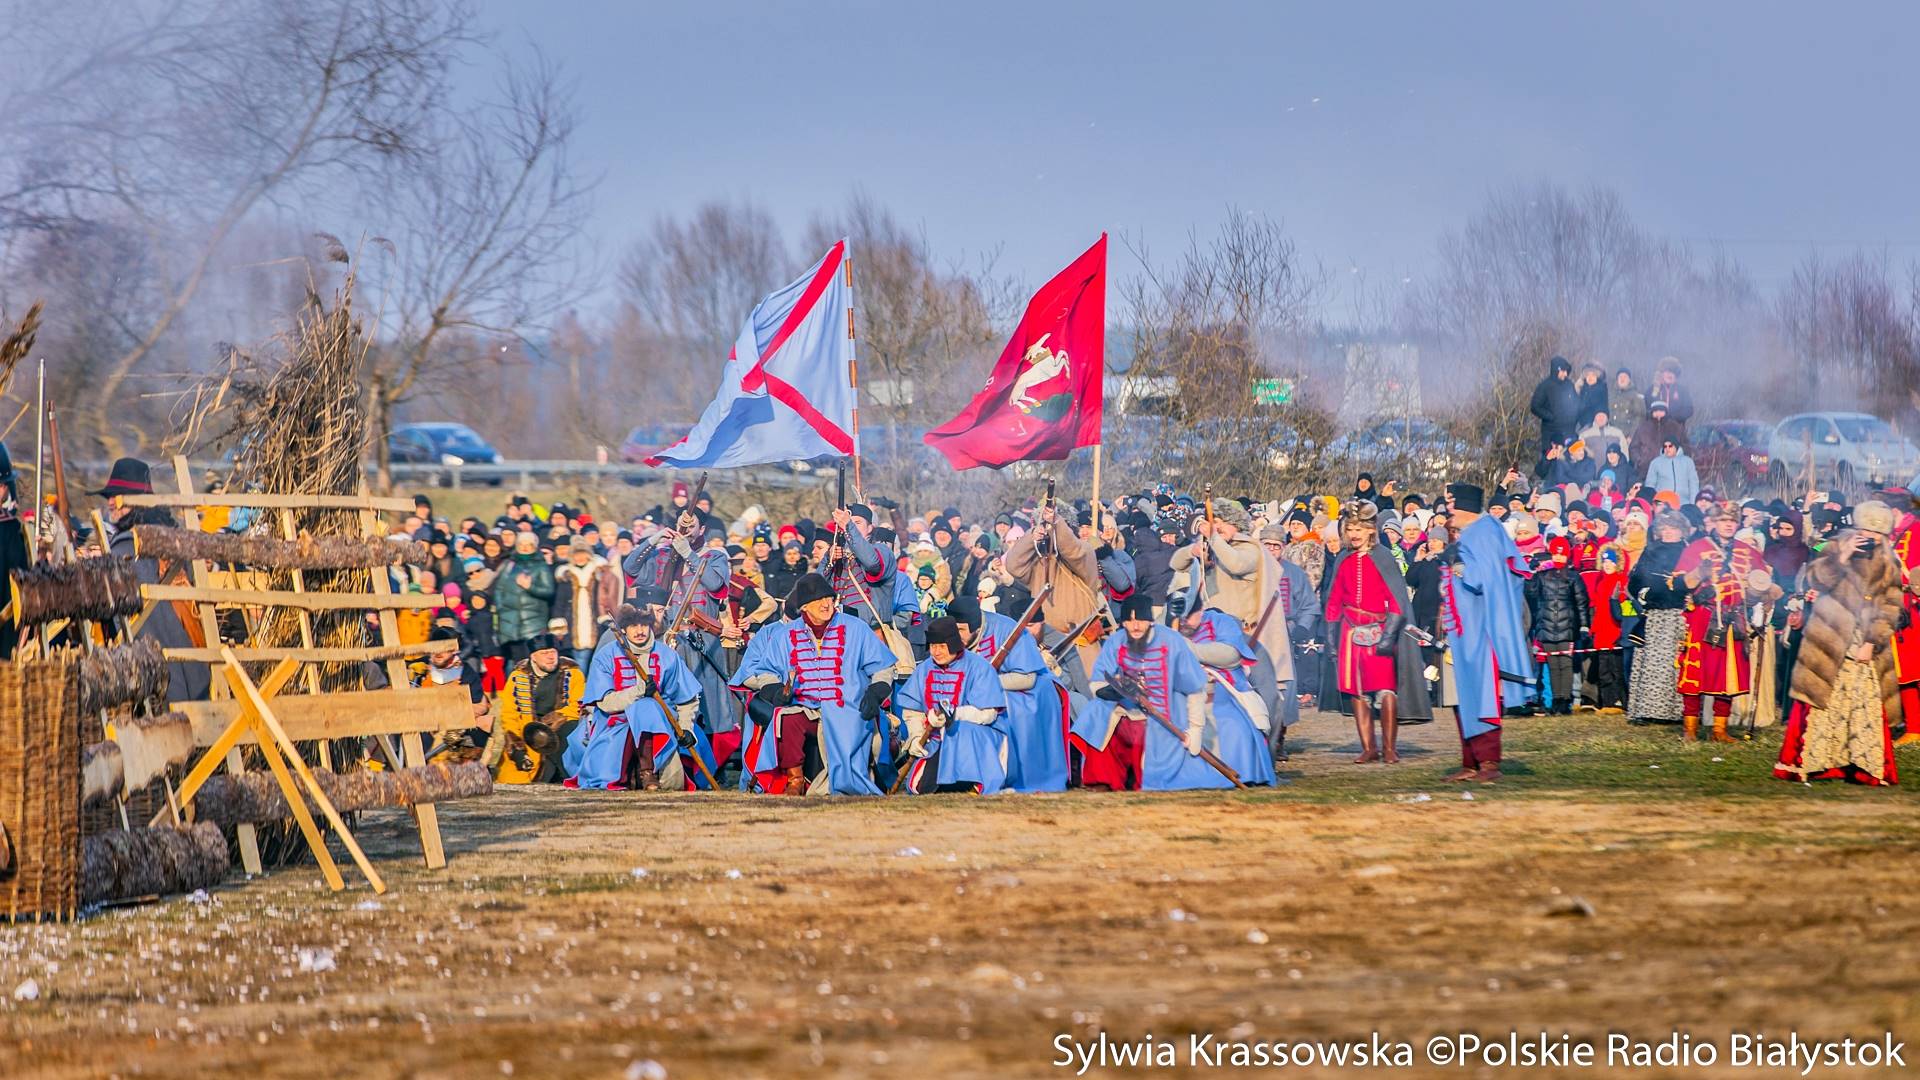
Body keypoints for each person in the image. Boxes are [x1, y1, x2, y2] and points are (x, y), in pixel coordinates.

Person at [1775, 501, 1904, 785]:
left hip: (1864, 644)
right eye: (1866, 530)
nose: (1870, 537)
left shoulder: (1889, 561)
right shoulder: (1833, 547)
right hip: (1829, 639)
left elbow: (1891, 607)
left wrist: (1872, 641)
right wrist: (1842, 557)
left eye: (1877, 532)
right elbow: (1815, 580)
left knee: (1862, 703)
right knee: (1823, 702)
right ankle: (1819, 762)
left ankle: (1862, 764)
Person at [732, 573, 896, 795]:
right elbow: (766, 671)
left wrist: (876, 692)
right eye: (819, 600)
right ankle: (795, 781)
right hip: (804, 706)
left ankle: (848, 781)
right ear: (804, 607)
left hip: (848, 708)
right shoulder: (785, 635)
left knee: (849, 735)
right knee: (786, 719)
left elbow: (883, 666)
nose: (826, 604)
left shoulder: (856, 628)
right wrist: (775, 690)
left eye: (829, 598)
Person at [1435, 484, 1534, 782]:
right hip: (1464, 631)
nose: (1449, 512)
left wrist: (1457, 565)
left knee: (1483, 694)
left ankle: (1489, 763)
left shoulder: (1484, 532)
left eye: (1452, 505)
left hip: (1482, 629)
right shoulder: (1474, 533)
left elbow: (1482, 579)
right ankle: (1471, 762)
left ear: (1464, 506)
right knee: (1464, 695)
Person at [1073, 594, 1220, 790]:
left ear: (1150, 621)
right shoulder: (1115, 642)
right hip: (1125, 709)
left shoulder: (1172, 641)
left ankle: (1146, 779)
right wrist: (1114, 690)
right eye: (1130, 621)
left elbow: (1195, 688)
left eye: (1140, 620)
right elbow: (1098, 681)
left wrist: (1196, 728)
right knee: (1096, 712)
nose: (1135, 626)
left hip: (1165, 711)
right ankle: (1104, 780)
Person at [96, 458, 210, 701]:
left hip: (162, 680)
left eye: (117, 496)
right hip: (195, 674)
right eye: (110, 496)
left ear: (136, 501)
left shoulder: (126, 550)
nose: (110, 502)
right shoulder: (167, 539)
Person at [564, 605, 709, 791]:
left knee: (647, 707)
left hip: (662, 724)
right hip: (616, 723)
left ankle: (649, 772)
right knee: (644, 705)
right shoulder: (606, 655)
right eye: (633, 626)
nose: (640, 631)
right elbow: (605, 703)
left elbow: (687, 698)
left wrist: (686, 728)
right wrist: (638, 691)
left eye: (644, 625)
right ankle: (640, 773)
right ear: (624, 629)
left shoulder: (667, 655)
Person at [949, 596, 1069, 792]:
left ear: (976, 627)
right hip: (984, 689)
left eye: (961, 630)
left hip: (1030, 692)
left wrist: (984, 684)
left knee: (1002, 708)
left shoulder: (1007, 630)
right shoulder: (955, 634)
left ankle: (1015, 775)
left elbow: (1027, 678)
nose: (956, 635)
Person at [1675, 502, 1768, 742]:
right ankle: (1690, 729)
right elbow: (1679, 583)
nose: (1728, 525)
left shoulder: (1748, 551)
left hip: (1734, 618)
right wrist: (1698, 573)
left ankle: (1719, 730)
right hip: (1703, 616)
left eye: (1732, 521)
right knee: (1695, 672)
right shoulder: (1697, 548)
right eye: (1723, 520)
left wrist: (1760, 593)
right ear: (1714, 522)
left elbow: (1764, 583)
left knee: (1729, 674)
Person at [1323, 503, 1406, 764]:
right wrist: (1330, 634)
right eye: (1350, 529)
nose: (1354, 534)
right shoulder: (1343, 559)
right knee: (1357, 691)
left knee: (1385, 688)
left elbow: (1397, 600)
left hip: (1378, 630)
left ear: (1371, 530)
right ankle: (1369, 747)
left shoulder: (1384, 557)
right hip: (1349, 632)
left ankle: (1390, 748)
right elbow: (1334, 599)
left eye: (1359, 529)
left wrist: (1389, 635)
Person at [894, 617, 1011, 795]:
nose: (936, 652)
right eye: (933, 646)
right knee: (921, 788)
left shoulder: (979, 667)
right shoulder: (924, 669)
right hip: (935, 741)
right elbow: (913, 709)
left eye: (941, 646)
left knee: (963, 730)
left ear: (953, 644)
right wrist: (916, 736)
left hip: (976, 740)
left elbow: (988, 714)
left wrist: (953, 714)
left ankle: (970, 781)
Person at [1182, 604, 1280, 787]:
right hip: (1185, 696)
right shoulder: (1170, 630)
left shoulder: (1227, 630)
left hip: (1226, 692)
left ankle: (1246, 771)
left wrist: (1191, 650)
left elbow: (1268, 694)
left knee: (1234, 726)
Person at [491, 632, 584, 784]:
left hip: (561, 729)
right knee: (518, 775)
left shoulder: (572, 674)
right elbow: (509, 715)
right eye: (544, 653)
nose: (550, 657)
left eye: (553, 652)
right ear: (533, 657)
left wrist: (557, 717)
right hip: (529, 733)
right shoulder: (518, 677)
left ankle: (570, 772)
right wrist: (516, 748)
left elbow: (579, 705)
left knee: (571, 728)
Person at [1627, 511, 1692, 726]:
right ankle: (1648, 709)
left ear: (1682, 530)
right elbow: (1635, 581)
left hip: (1680, 615)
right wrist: (1643, 594)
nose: (1668, 532)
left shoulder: (1689, 552)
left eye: (1673, 528)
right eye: (1664, 528)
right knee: (1652, 665)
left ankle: (1677, 711)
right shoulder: (1651, 551)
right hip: (1655, 616)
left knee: (1677, 664)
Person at [1525, 537, 1591, 714]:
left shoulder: (1573, 576)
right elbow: (1531, 594)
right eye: (1556, 553)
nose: (1559, 557)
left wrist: (1584, 626)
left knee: (1565, 664)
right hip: (1547, 626)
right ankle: (1556, 699)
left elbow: (1581, 603)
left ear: (1567, 556)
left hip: (1567, 627)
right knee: (1553, 665)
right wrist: (1532, 573)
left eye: (1562, 554)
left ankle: (1565, 700)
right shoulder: (1542, 576)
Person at [553, 534, 622, 669]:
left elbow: (606, 597)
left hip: (596, 622)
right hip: (573, 624)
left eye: (582, 554)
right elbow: (560, 603)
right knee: (579, 659)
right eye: (576, 554)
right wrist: (559, 624)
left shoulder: (598, 574)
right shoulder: (567, 576)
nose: (579, 557)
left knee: (596, 660)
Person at [492, 531, 555, 667]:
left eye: (529, 545)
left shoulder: (541, 566)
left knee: (533, 660)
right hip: (510, 621)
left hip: (533, 622)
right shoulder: (509, 565)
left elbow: (549, 591)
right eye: (521, 544)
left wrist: (530, 586)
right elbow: (498, 589)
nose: (525, 548)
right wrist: (501, 608)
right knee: (517, 661)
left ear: (534, 547)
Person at [1528, 355, 1581, 456]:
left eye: (1567, 371)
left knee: (1570, 459)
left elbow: (1577, 404)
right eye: (1563, 371)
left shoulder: (1569, 385)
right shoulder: (1545, 386)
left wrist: (1575, 418)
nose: (1566, 374)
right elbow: (1535, 406)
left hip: (1569, 431)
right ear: (1557, 370)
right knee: (1550, 460)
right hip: (1550, 433)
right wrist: (1551, 417)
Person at [1643, 438, 1700, 506]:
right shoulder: (1655, 463)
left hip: (1684, 503)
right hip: (1663, 504)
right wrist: (1655, 504)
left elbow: (1693, 484)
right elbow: (1650, 486)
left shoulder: (1688, 462)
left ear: (1676, 447)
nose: (1667, 449)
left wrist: (1693, 504)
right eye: (1665, 446)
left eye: (1670, 446)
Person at [1573, 361, 1609, 430]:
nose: (1590, 377)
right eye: (1587, 375)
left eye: (1593, 375)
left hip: (1595, 425)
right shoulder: (1582, 389)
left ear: (1598, 377)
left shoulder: (1601, 389)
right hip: (1581, 425)